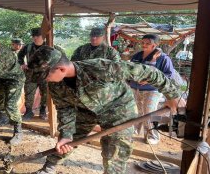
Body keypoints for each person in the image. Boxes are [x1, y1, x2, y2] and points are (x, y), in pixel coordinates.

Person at [27, 46, 182, 174]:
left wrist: (172, 95)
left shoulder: (101, 68)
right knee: (65, 143)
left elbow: (150, 72)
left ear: (60, 69)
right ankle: (48, 169)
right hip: (85, 111)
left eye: (45, 76)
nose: (44, 80)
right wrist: (66, 135)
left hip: (118, 112)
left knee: (114, 155)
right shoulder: (55, 84)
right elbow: (64, 108)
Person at [129, 34, 176, 145]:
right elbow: (130, 70)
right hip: (135, 88)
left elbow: (168, 75)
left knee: (150, 112)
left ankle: (152, 135)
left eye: (148, 43)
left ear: (155, 45)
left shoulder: (163, 58)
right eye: (143, 43)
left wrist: (149, 80)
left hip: (152, 89)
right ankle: (135, 130)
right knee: (137, 111)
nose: (144, 45)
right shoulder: (137, 56)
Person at [17, 27, 65, 120]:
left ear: (43, 36)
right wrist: (22, 64)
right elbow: (20, 56)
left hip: (46, 75)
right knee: (29, 93)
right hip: (31, 74)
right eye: (33, 36)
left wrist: (56, 68)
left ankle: (43, 111)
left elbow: (63, 57)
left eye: (38, 36)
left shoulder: (51, 46)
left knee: (45, 93)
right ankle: (28, 112)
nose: (35, 38)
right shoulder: (28, 47)